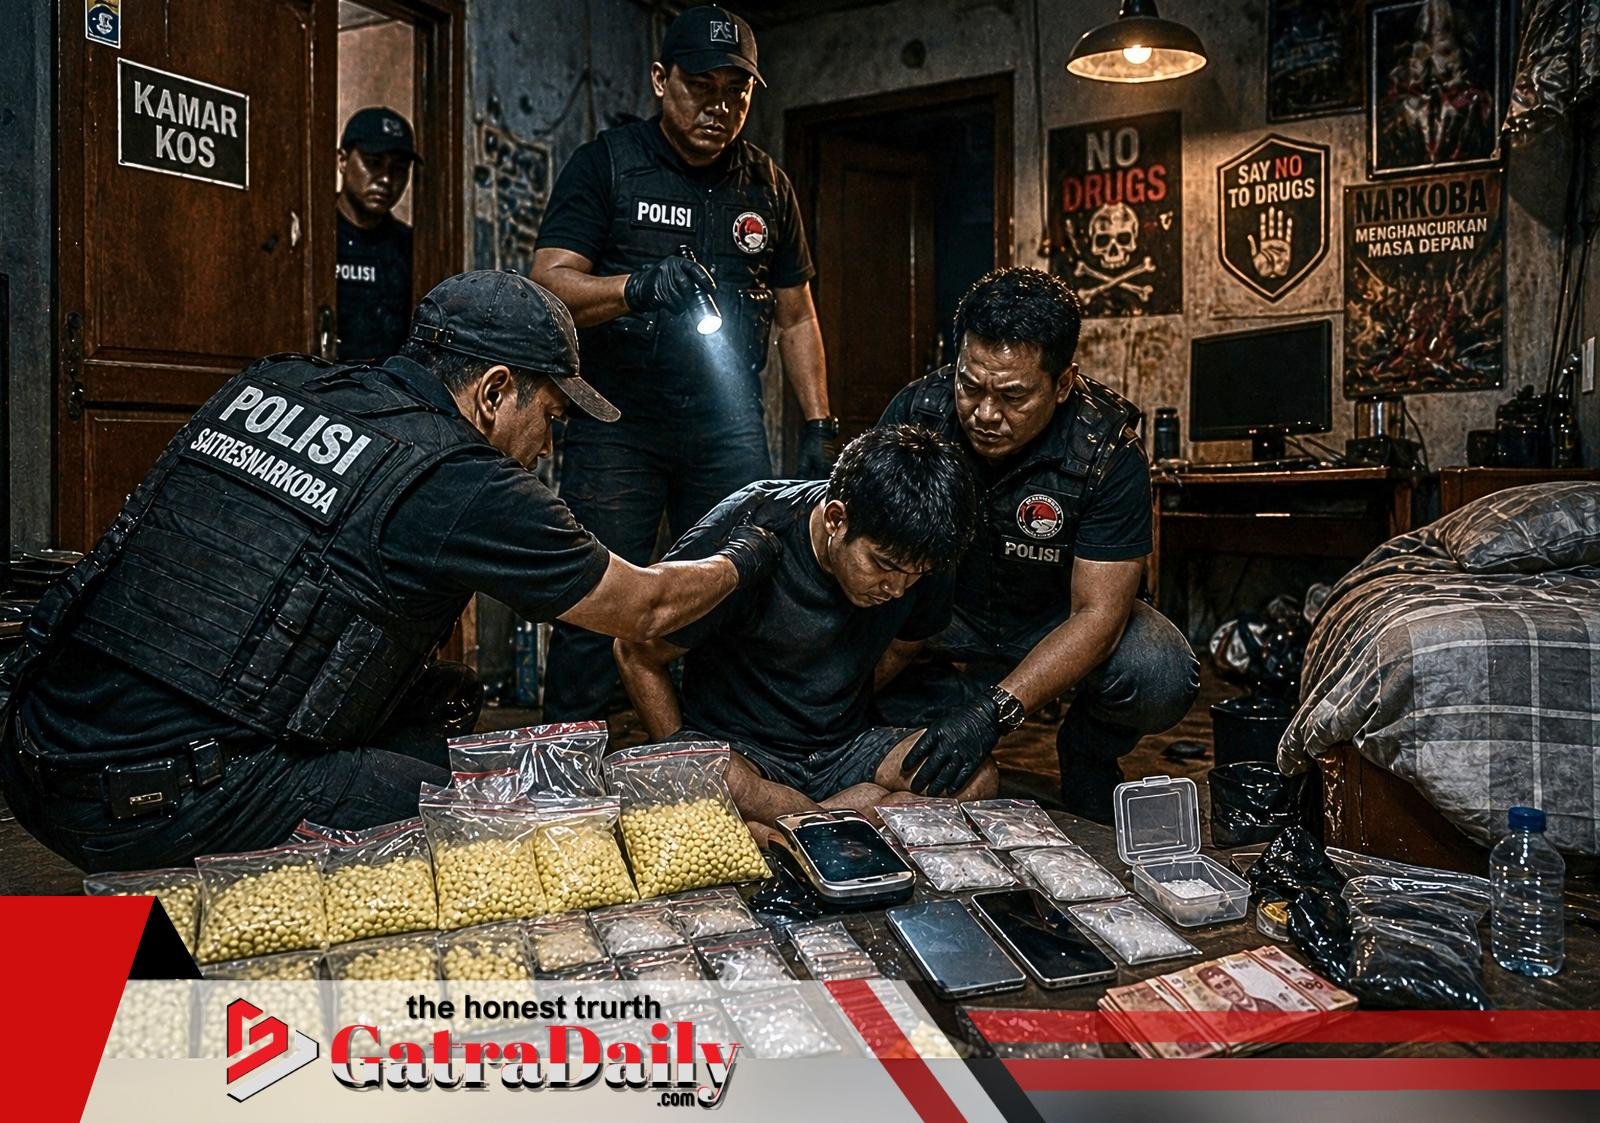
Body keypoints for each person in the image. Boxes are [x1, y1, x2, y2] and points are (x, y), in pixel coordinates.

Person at [0, 270, 782, 872]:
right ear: (494, 391)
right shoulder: (463, 480)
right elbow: (645, 608)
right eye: (550, 417)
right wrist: (749, 553)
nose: (548, 447)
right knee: (504, 822)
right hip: (153, 801)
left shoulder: (276, 384)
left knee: (440, 708)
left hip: (35, 748)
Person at [532, 5, 836, 722]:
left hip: (727, 424)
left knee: (735, 585)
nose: (719, 107)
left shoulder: (767, 187)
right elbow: (548, 283)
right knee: (595, 590)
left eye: (737, 92)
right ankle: (565, 754)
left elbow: (797, 316)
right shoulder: (607, 164)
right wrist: (635, 287)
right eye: (702, 87)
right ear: (660, 79)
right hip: (618, 421)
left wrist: (820, 425)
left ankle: (719, 748)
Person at [874, 267, 1200, 823]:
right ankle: (922, 716)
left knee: (1159, 670)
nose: (985, 414)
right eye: (970, 386)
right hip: (942, 612)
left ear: (1063, 383)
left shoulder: (1107, 451)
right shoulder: (916, 417)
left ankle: (1086, 752)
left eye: (1013, 396)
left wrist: (991, 714)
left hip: (1054, 618)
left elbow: (1098, 615)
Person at [613, 426, 995, 830]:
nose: (897, 589)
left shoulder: (925, 549)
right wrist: (680, 757)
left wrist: (828, 699)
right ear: (836, 519)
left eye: (914, 575)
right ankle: (850, 821)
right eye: (883, 565)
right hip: (743, 751)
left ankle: (792, 827)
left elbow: (904, 645)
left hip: (843, 749)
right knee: (722, 780)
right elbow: (635, 651)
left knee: (975, 774)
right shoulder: (755, 526)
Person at [336, 106, 419, 361]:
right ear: (342, 161)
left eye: (399, 168)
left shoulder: (410, 247)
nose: (386, 179)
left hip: (388, 382)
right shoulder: (313, 236)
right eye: (373, 163)